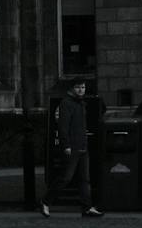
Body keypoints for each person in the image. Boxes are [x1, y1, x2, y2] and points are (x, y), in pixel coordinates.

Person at [40, 78, 100, 218]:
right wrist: (66, 145)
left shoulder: (80, 103)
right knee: (65, 178)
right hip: (72, 147)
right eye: (78, 87)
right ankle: (45, 201)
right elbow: (63, 127)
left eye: (83, 87)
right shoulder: (67, 103)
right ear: (72, 88)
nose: (81, 90)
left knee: (84, 179)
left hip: (81, 146)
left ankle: (87, 207)